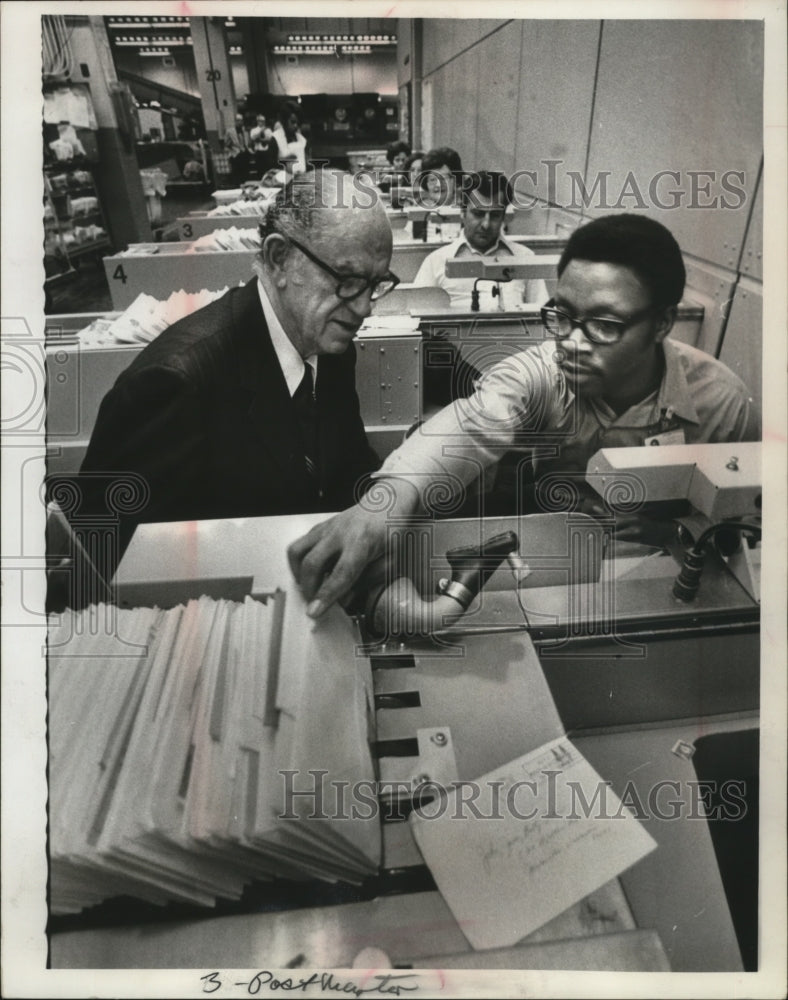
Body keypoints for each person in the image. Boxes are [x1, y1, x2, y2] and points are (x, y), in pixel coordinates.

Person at [287, 213, 760, 618]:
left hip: (672, 580)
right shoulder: (541, 375)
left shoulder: (721, 406)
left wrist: (676, 533)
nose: (571, 342)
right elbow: (470, 425)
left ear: (662, 323)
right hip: (552, 570)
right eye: (563, 314)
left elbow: (751, 533)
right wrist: (384, 502)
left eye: (602, 325)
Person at [76, 170, 398, 572]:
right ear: (280, 258)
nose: (365, 307)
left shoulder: (328, 343)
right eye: (349, 280)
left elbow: (344, 466)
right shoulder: (174, 384)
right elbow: (109, 560)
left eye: (376, 284)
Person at [413, 170, 548, 310]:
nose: (486, 225)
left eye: (495, 215)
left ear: (503, 216)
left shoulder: (525, 259)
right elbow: (416, 316)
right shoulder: (436, 262)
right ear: (463, 212)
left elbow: (544, 317)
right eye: (478, 214)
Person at [273, 102, 308, 174]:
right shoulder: (275, 138)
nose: (295, 125)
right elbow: (270, 167)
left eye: (297, 123)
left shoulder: (302, 140)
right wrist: (284, 161)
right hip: (281, 181)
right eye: (293, 122)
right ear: (285, 120)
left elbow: (305, 163)